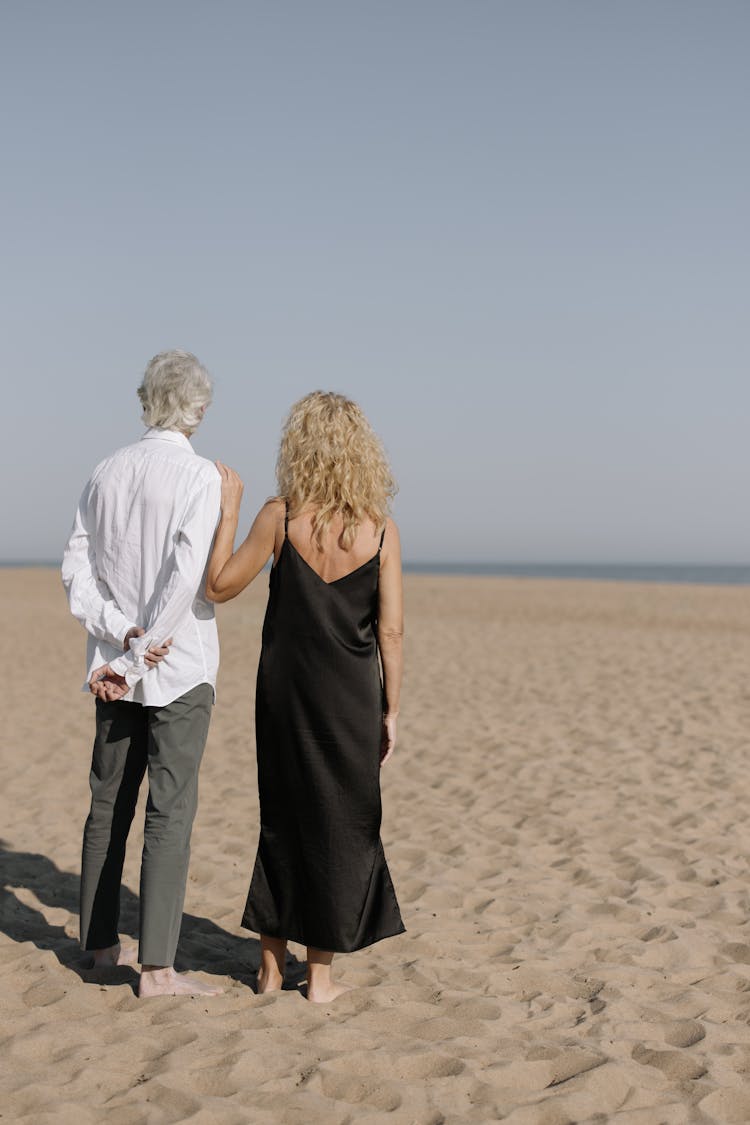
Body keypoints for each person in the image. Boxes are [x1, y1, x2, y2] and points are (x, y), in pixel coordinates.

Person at [206, 391, 405, 1003]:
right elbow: (390, 630)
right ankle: (319, 979)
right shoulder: (380, 528)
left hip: (284, 696)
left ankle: (269, 967)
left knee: (284, 819)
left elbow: (218, 586)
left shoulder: (279, 515)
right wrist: (390, 709)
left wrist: (229, 513)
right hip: (350, 699)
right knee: (343, 825)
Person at [62, 349, 223, 998]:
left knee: (107, 805)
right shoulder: (201, 476)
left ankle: (99, 946)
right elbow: (185, 580)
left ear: (145, 401)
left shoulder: (105, 470)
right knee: (168, 810)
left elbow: (77, 568)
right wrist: (139, 649)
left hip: (114, 664)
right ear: (198, 408)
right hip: (174, 667)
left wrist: (120, 638)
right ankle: (156, 966)